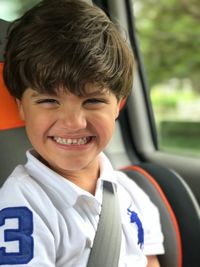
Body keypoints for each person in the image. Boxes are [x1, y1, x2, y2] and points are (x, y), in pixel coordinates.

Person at [0, 0, 164, 266]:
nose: (74, 122)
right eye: (49, 101)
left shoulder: (132, 193)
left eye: (93, 101)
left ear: (118, 106)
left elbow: (149, 261)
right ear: (22, 108)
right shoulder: (23, 206)